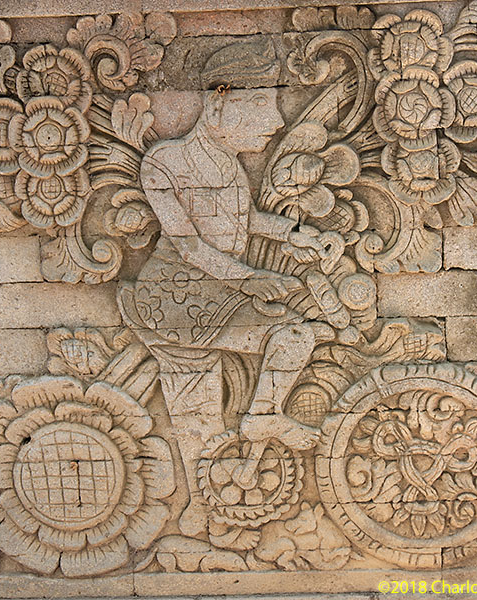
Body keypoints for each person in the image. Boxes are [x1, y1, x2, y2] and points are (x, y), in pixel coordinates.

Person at [118, 38, 333, 537]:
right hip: (173, 299)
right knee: (205, 401)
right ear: (218, 101)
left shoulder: (226, 162)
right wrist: (254, 279)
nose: (274, 121)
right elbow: (190, 245)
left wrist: (295, 234)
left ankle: (258, 422)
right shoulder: (165, 163)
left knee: (292, 336)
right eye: (258, 104)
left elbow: (240, 220)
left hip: (216, 293)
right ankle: (207, 502)